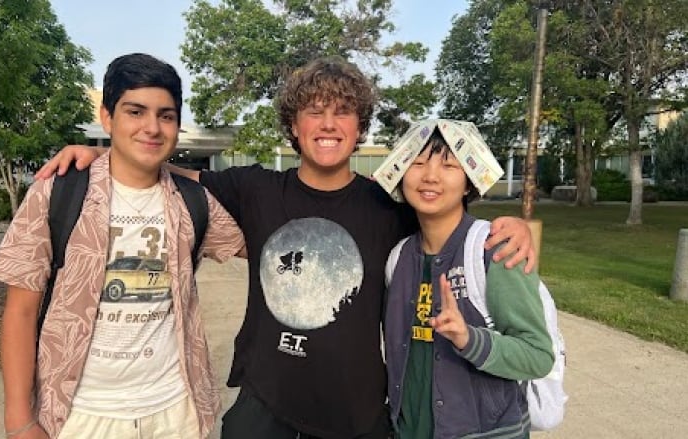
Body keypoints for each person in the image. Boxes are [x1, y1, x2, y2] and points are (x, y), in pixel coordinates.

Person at [36, 56, 535, 439]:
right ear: (293, 126)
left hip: (356, 412)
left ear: (359, 128)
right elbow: (166, 171)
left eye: (343, 113)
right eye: (314, 112)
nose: (328, 124)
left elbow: (445, 211)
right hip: (265, 405)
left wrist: (516, 225)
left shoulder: (386, 204)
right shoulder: (254, 189)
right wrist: (97, 157)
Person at [0, 53, 245, 439]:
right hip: (80, 416)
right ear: (108, 118)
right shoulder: (56, 192)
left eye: (166, 115)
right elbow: (20, 313)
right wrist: (19, 420)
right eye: (135, 112)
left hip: (175, 411)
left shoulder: (193, 202)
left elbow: (262, 244)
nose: (152, 127)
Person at [383, 127, 554, 438]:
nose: (430, 176)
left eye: (449, 165)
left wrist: (468, 339)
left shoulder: (496, 249)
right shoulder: (398, 257)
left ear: (468, 183)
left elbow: (538, 356)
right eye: (418, 163)